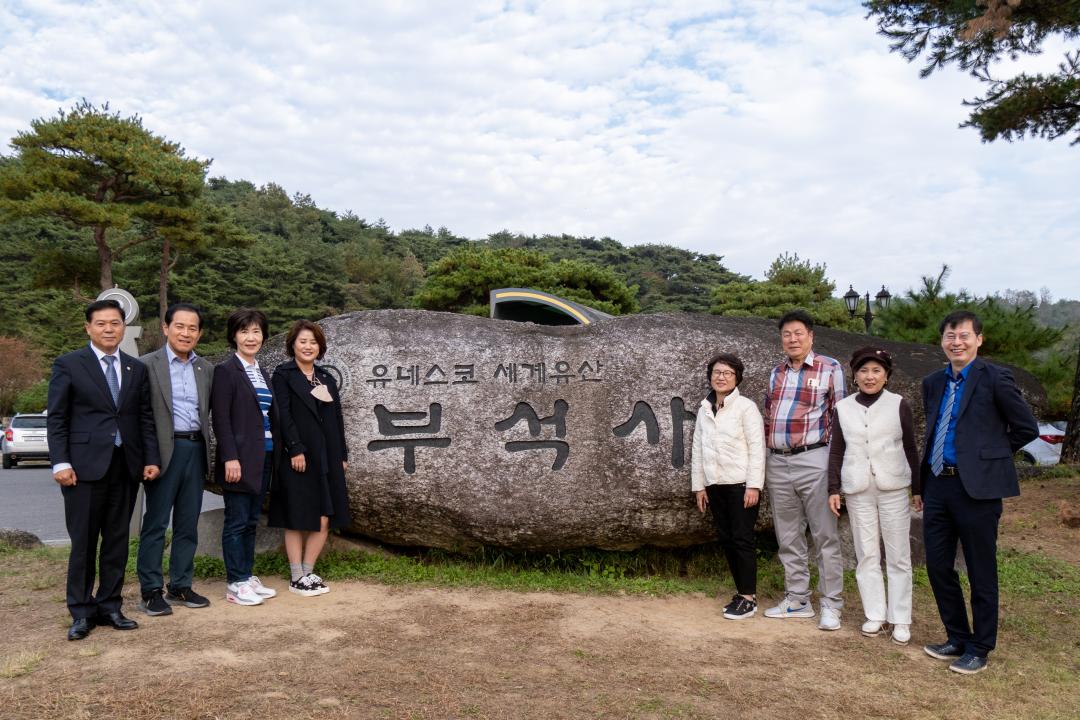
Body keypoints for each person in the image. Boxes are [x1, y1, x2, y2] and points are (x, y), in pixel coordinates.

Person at [920, 310, 1038, 674]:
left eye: (964, 335)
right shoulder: (933, 381)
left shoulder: (996, 378)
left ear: (978, 340)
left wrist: (988, 456)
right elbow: (933, 428)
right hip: (938, 483)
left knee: (980, 569)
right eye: (950, 336)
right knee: (938, 566)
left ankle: (981, 646)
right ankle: (957, 636)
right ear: (942, 341)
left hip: (978, 490)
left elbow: (1026, 427)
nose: (956, 342)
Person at [46, 298, 161, 640]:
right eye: (101, 323)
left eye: (115, 323)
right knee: (83, 542)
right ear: (88, 328)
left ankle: (110, 605)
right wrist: (61, 462)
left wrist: (150, 458)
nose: (109, 329)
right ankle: (81, 612)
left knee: (117, 540)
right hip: (81, 469)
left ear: (123, 327)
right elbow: (57, 418)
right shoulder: (69, 364)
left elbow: (143, 418)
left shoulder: (135, 368)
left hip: (125, 466)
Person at [827, 347, 920, 645]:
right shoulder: (843, 407)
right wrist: (833, 488)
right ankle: (875, 614)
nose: (870, 376)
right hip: (857, 489)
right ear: (855, 375)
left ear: (886, 375)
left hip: (892, 487)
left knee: (898, 555)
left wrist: (918, 488)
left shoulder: (898, 404)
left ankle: (900, 618)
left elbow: (910, 447)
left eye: (877, 371)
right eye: (864, 371)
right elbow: (837, 450)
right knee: (866, 553)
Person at [762, 309, 846, 630]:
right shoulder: (776, 373)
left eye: (798, 333)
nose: (792, 339)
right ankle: (797, 598)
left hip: (815, 458)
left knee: (825, 535)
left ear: (811, 335)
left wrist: (837, 469)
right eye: (787, 334)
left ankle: (831, 604)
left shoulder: (830, 368)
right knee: (788, 535)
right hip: (778, 459)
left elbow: (840, 420)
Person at [136, 303, 214, 615]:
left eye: (192, 328)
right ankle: (151, 590)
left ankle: (180, 585)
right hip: (161, 453)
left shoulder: (206, 369)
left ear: (199, 333)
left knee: (187, 523)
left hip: (195, 449)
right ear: (166, 328)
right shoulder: (145, 365)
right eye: (179, 326)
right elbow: (139, 416)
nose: (185, 333)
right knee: (155, 523)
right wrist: (147, 456)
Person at [268, 320, 351, 596]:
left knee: (324, 517)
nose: (308, 346)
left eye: (313, 342)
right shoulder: (283, 374)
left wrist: (341, 454)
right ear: (293, 344)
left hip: (326, 456)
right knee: (296, 516)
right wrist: (296, 448)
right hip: (298, 456)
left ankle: (308, 572)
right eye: (303, 341)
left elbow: (336, 418)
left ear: (320, 347)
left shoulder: (325, 377)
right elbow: (282, 415)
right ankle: (295, 576)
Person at [211, 308, 280, 607]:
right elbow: (221, 419)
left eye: (256, 332)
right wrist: (230, 457)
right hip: (239, 458)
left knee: (252, 519)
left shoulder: (260, 370)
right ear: (234, 336)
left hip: (263, 455)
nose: (251, 337)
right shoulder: (226, 371)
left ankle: (247, 575)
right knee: (237, 520)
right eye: (244, 331)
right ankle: (235, 582)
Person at [691, 353, 764, 620]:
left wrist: (754, 485)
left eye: (727, 373)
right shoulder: (704, 409)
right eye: (717, 372)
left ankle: (748, 597)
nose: (721, 377)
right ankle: (742, 592)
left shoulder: (746, 407)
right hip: (715, 484)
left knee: (743, 539)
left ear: (737, 378)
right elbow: (698, 447)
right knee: (728, 539)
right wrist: (699, 486)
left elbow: (757, 448)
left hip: (740, 484)